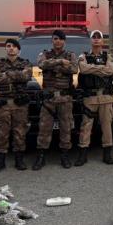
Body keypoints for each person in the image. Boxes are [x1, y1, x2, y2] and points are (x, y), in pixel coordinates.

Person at [32, 29, 79, 170]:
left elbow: (75, 68)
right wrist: (61, 62)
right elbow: (41, 65)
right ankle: (41, 157)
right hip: (49, 99)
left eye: (60, 39)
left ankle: (64, 156)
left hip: (65, 98)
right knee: (44, 128)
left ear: (64, 41)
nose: (57, 41)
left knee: (66, 128)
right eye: (55, 39)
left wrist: (54, 65)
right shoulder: (44, 54)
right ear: (52, 40)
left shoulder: (71, 55)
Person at [0, 38, 33, 172]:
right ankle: (0, 161)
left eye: (14, 46)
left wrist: (6, 74)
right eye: (8, 46)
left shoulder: (25, 63)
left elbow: (26, 77)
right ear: (5, 49)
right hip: (3, 105)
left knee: (20, 132)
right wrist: (16, 75)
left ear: (18, 50)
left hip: (20, 105)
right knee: (2, 133)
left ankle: (19, 160)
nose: (11, 48)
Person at [75, 30, 113, 166]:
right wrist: (100, 68)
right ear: (91, 40)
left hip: (105, 96)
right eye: (94, 37)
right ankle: (83, 155)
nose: (97, 39)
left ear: (102, 41)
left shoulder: (109, 56)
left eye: (99, 37)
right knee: (86, 126)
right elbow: (83, 69)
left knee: (107, 126)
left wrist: (92, 68)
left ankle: (107, 154)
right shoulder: (83, 56)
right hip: (90, 97)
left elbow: (110, 70)